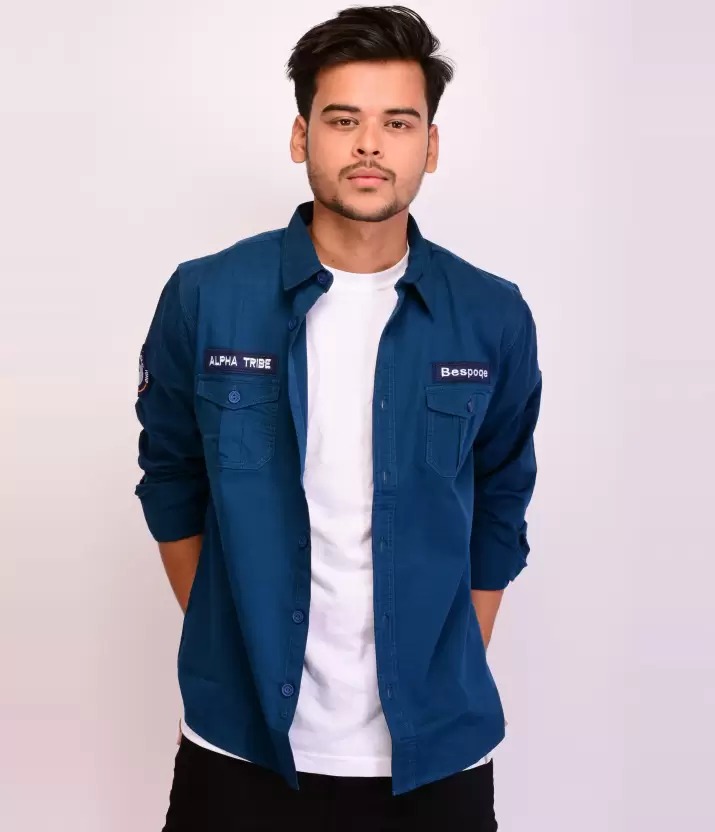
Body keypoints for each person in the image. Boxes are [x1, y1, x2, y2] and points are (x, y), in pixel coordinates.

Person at [134, 5, 542, 830]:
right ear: (301, 135)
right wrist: (234, 639)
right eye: (343, 119)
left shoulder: (491, 315)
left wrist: (440, 665)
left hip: (435, 759)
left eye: (397, 122)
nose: (368, 146)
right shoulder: (206, 296)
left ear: (429, 145)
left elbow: (500, 506)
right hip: (240, 746)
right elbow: (170, 479)